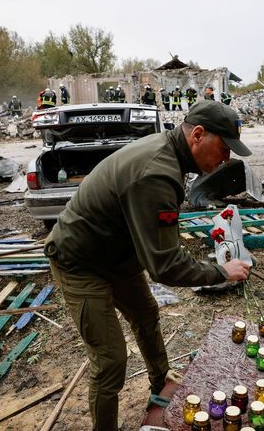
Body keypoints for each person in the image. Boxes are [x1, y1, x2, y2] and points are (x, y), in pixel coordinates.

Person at [44, 99, 252, 430]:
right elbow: (164, 266)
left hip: (117, 253)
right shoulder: (157, 171)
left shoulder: (171, 154)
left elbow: (157, 234)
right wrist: (220, 272)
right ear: (198, 135)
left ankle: (161, 384)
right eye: (224, 148)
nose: (226, 159)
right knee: (110, 360)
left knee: (145, 315)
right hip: (80, 261)